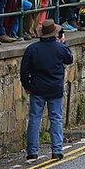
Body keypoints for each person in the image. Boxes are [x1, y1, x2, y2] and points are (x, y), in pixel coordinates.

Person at [20, 19, 72, 161]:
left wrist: (27, 86)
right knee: (56, 118)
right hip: (55, 88)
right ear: (55, 34)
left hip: (37, 88)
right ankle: (57, 151)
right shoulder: (60, 48)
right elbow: (69, 59)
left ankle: (32, 152)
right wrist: (64, 43)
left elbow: (24, 71)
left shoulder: (32, 49)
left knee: (35, 119)